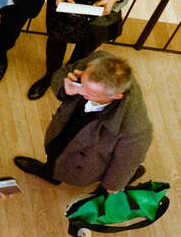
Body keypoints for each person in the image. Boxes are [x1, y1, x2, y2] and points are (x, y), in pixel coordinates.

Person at [14, 51, 152, 191]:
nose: (80, 91)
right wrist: (66, 89)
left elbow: (126, 161)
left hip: (89, 158)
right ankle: (50, 173)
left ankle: (133, 174)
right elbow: (65, 72)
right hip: (65, 129)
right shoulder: (97, 61)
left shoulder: (135, 129)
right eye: (82, 84)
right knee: (54, 151)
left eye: (89, 93)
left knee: (115, 172)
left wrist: (112, 185)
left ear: (115, 96)